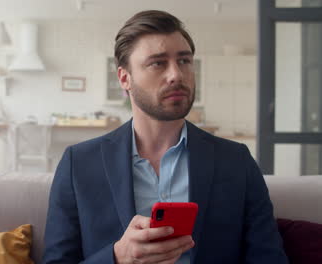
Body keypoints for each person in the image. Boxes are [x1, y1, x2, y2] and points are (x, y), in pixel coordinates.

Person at [43, 10, 288, 264]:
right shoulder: (79, 164)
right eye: (158, 63)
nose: (176, 75)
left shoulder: (236, 161)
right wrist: (117, 257)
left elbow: (269, 258)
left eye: (184, 61)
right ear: (124, 78)